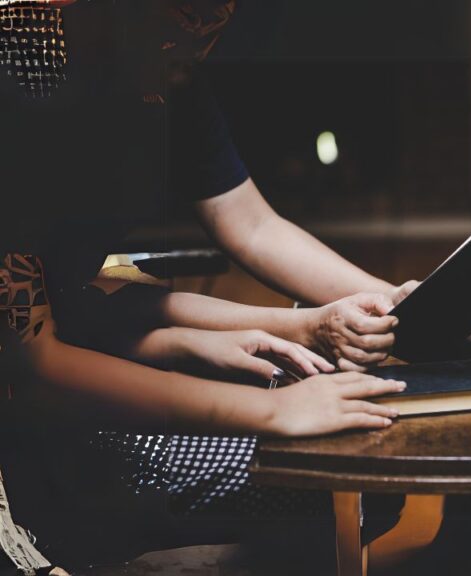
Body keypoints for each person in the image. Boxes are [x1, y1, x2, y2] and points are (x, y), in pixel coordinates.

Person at [0, 1, 416, 569]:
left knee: (364, 467)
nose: (206, 28)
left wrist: (383, 303)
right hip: (28, 438)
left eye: (219, 11)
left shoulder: (157, 65)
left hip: (68, 359)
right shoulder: (18, 66)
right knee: (336, 476)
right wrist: (274, 412)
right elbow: (34, 365)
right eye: (188, 11)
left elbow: (249, 223)